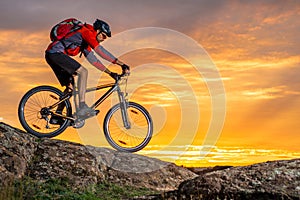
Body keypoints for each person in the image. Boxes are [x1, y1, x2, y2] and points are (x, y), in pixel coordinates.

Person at [45, 19, 130, 124]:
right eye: (103, 35)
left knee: (70, 88)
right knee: (83, 72)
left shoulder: (85, 42)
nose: (104, 39)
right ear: (98, 31)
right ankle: (82, 107)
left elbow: (94, 61)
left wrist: (110, 73)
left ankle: (56, 116)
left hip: (52, 55)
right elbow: (100, 51)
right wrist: (121, 64)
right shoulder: (86, 32)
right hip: (55, 54)